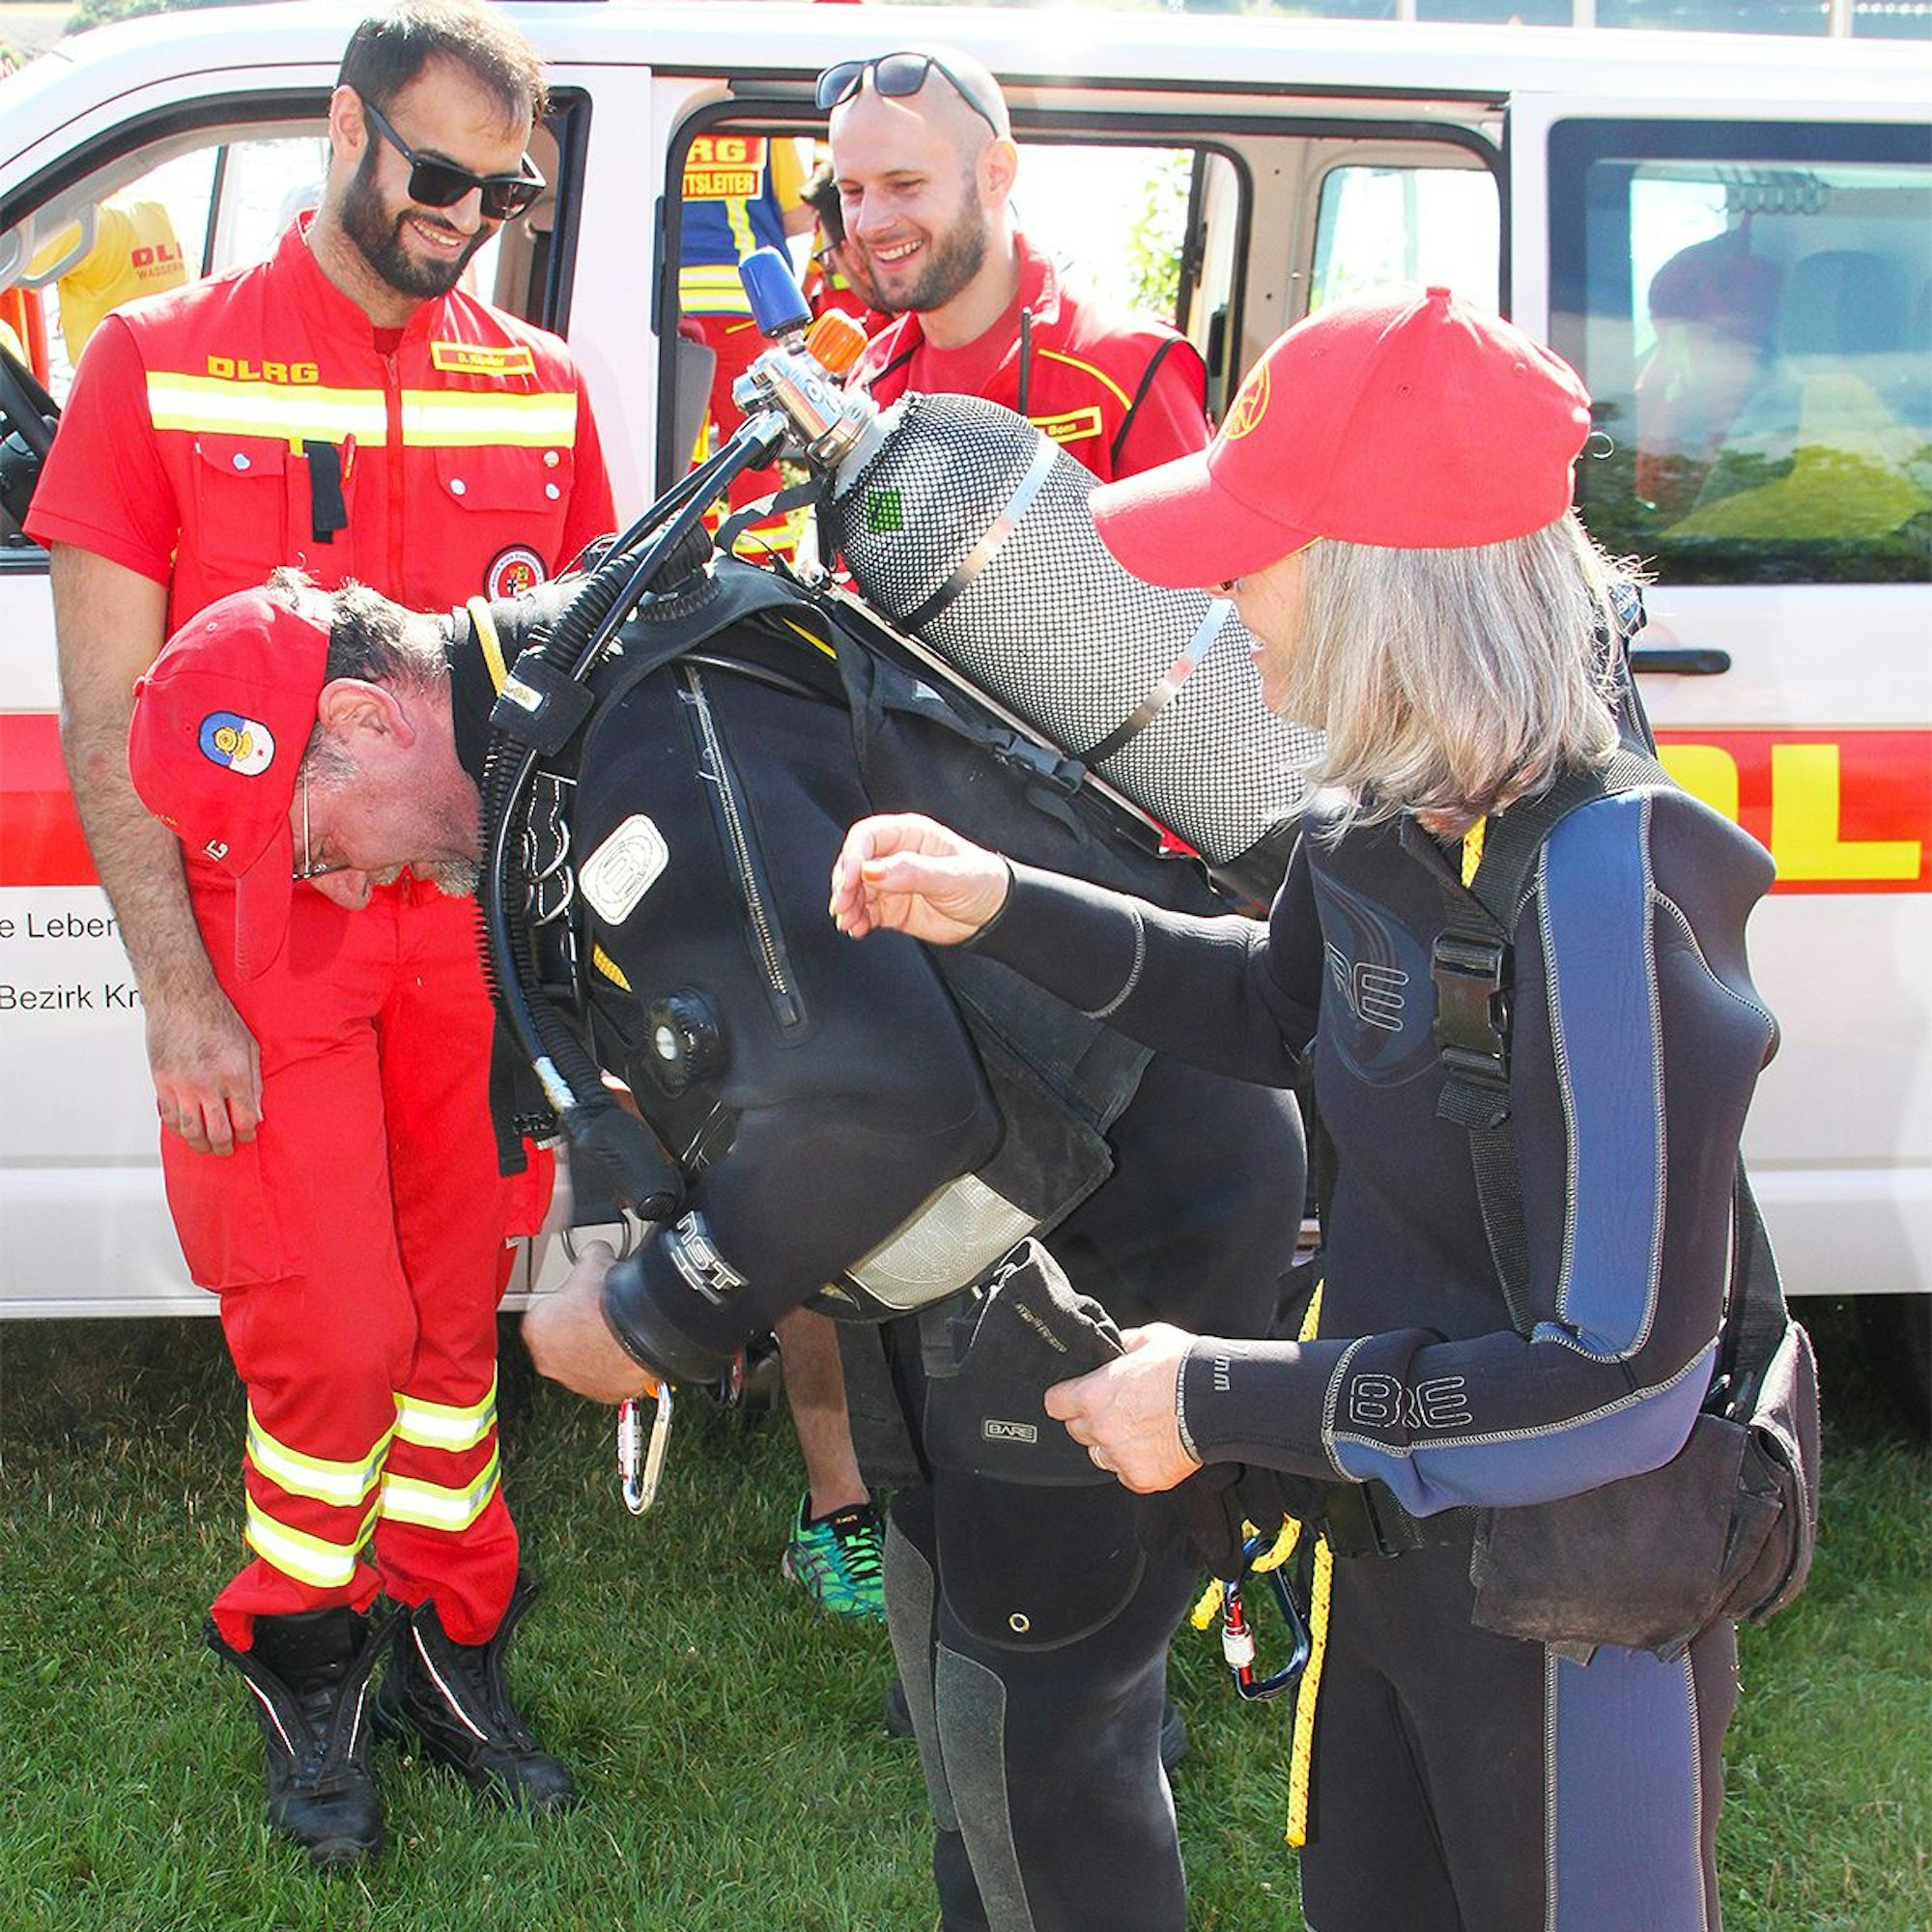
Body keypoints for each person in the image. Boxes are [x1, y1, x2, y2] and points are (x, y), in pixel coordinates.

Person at [123, 547, 1304, 1932]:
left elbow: (886, 1107)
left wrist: (652, 1323)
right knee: (962, 1709)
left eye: (317, 846)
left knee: (1048, 1741)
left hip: (1122, 1217)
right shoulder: (564, 733)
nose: (338, 889)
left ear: (367, 721)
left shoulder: (636, 744)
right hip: (987, 1233)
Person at [829, 285, 1782, 1932]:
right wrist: (1002, 900)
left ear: (1385, 592)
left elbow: (1609, 1386)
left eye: (1251, 550)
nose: (1217, 596)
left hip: (1570, 1624)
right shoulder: (1375, 830)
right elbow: (1278, 1008)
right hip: (1398, 1565)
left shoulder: (1611, 897)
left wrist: (1221, 1400)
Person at [24, 0, 614, 1868]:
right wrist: (176, 997)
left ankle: (452, 1647)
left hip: (468, 958)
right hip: (264, 946)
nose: (467, 216)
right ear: (350, 133)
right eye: (438, 173)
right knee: (339, 1338)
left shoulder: (541, 384)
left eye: (504, 191)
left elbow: (583, 690)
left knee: (458, 1327)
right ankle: (304, 1656)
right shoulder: (157, 360)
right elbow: (111, 721)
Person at [823, 45, 1210, 483]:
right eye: (853, 192)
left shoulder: (1127, 366)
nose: (871, 223)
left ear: (995, 173)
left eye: (905, 184)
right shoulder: (873, 380)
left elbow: (1210, 549)